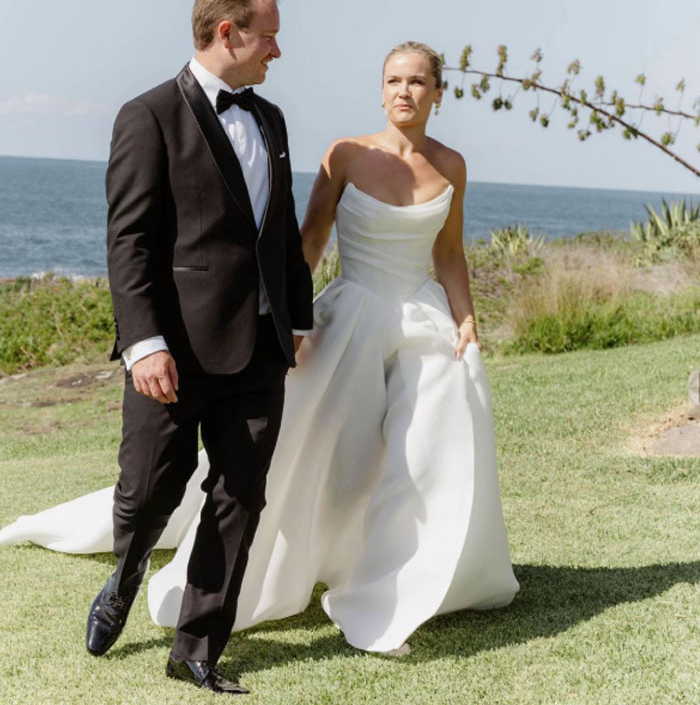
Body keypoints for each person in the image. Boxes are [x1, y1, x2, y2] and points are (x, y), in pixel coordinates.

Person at [1, 41, 519, 668]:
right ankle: (142, 569)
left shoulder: (452, 165)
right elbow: (306, 241)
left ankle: (393, 584)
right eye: (392, 80)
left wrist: (466, 318)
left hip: (421, 323)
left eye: (416, 81)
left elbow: (449, 252)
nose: (403, 91)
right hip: (351, 317)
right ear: (381, 89)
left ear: (438, 91)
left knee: (427, 453)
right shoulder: (345, 154)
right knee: (300, 451)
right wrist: (288, 322)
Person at [70, 0, 313, 695]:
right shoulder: (147, 116)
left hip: (261, 346)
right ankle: (125, 573)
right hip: (173, 352)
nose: (278, 50)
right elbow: (130, 242)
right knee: (149, 490)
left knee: (241, 497)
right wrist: (143, 344)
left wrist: (296, 319)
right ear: (228, 32)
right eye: (269, 35)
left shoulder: (271, 120)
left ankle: (198, 647)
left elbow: (280, 229)